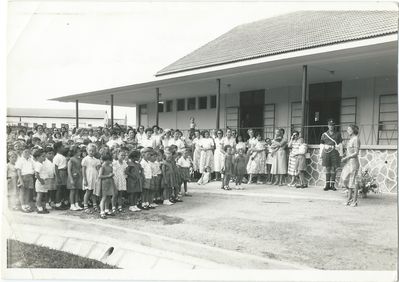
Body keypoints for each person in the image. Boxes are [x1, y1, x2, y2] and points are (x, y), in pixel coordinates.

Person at [340, 125, 361, 207]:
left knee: (353, 182)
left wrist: (347, 157)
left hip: (353, 163)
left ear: (353, 130)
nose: (347, 130)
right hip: (348, 162)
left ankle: (354, 201)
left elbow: (356, 153)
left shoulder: (356, 139)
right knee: (345, 179)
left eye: (349, 129)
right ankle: (350, 199)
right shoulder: (351, 139)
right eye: (347, 129)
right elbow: (349, 151)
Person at [320, 119, 343, 191]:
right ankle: (327, 185)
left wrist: (341, 152)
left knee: (333, 168)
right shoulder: (324, 134)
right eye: (330, 125)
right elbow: (321, 144)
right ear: (328, 126)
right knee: (327, 168)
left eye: (332, 125)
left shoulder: (338, 134)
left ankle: (332, 185)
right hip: (326, 152)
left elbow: (340, 143)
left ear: (334, 126)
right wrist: (321, 154)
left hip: (334, 151)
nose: (331, 127)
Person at [82, 143, 101, 212]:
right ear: (87, 150)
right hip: (88, 176)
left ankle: (95, 205)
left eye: (93, 151)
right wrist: (85, 179)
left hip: (94, 176)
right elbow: (83, 170)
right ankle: (85, 206)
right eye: (90, 150)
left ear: (95, 151)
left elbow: (98, 169)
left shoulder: (96, 160)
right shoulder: (85, 159)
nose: (91, 152)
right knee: (88, 192)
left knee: (94, 192)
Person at [15, 146, 35, 212]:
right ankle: (22, 205)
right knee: (22, 192)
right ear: (22, 152)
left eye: (28, 152)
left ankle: (27, 204)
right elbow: (18, 171)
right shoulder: (20, 160)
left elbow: (33, 168)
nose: (27, 153)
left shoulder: (31, 160)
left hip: (30, 177)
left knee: (28, 192)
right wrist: (20, 180)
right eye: (25, 152)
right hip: (23, 177)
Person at [97, 153, 116, 219]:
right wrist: (108, 176)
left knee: (108, 197)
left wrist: (112, 174)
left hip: (110, 182)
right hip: (104, 183)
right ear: (107, 160)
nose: (111, 161)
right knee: (104, 197)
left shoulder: (110, 167)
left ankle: (106, 210)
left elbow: (110, 173)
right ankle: (102, 212)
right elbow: (99, 176)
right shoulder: (102, 167)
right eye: (110, 160)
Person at [33, 149, 49, 214]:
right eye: (42, 156)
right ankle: (39, 207)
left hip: (44, 181)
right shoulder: (38, 164)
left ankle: (42, 206)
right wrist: (41, 181)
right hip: (40, 181)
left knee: (43, 195)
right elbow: (36, 174)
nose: (44, 158)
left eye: (45, 156)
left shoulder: (42, 163)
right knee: (39, 195)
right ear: (37, 157)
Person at [67, 146, 83, 211]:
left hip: (78, 177)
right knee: (72, 191)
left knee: (77, 191)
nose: (80, 152)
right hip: (72, 177)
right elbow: (69, 170)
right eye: (79, 151)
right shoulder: (71, 159)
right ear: (75, 152)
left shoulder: (80, 159)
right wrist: (71, 179)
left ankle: (76, 204)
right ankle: (72, 205)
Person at [53, 142, 68, 209]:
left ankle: (62, 202)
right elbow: (55, 168)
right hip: (60, 173)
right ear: (58, 148)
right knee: (59, 189)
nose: (64, 148)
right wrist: (58, 177)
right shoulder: (57, 157)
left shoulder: (62, 156)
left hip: (64, 173)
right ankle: (57, 204)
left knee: (63, 189)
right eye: (62, 147)